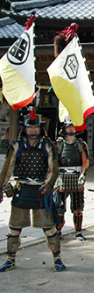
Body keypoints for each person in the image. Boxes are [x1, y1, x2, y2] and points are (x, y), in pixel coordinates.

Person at [0, 107, 65, 272]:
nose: (33, 130)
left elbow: (53, 168)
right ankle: (10, 259)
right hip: (21, 189)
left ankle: (57, 259)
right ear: (25, 128)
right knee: (14, 228)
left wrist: (49, 185)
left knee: (49, 228)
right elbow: (7, 168)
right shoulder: (16, 145)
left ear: (40, 128)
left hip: (40, 191)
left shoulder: (48, 144)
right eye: (30, 127)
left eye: (36, 127)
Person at [55, 116, 89, 241]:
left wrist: (83, 174)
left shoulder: (81, 144)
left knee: (78, 207)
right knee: (59, 206)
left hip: (77, 175)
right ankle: (58, 230)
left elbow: (85, 161)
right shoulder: (58, 144)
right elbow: (54, 161)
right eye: (68, 127)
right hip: (62, 176)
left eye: (72, 126)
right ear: (64, 129)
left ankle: (78, 232)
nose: (70, 129)